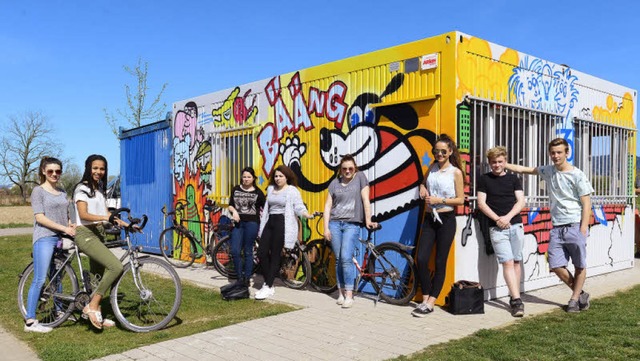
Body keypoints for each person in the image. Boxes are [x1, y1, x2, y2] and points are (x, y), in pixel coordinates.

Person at [505, 138, 593, 313]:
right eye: (553, 153)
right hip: (557, 227)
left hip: (575, 225)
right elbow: (526, 169)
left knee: (579, 265)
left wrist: (583, 228)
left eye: (559, 152)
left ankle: (574, 300)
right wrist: (503, 164)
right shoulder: (548, 170)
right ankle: (581, 292)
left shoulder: (577, 175)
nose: (556, 156)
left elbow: (587, 204)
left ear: (567, 153)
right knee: (555, 265)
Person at [413, 134, 466, 317]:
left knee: (439, 261)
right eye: (437, 151)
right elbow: (424, 182)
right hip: (429, 218)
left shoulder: (455, 172)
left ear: (450, 151)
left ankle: (432, 301)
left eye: (444, 151)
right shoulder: (432, 167)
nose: (440, 154)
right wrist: (422, 186)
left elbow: (461, 200)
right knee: (421, 258)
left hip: (446, 219)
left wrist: (439, 199)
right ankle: (426, 298)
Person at [73, 154, 126, 329]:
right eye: (95, 168)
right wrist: (106, 217)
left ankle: (96, 312)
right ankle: (93, 305)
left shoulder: (99, 190)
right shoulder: (82, 189)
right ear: (88, 168)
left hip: (99, 234)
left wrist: (124, 223)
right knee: (116, 267)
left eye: (102, 168)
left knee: (97, 277)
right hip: (85, 234)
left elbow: (107, 216)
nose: (98, 171)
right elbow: (84, 215)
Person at [25, 157, 77, 333]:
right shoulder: (38, 191)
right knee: (40, 279)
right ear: (43, 172)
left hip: (61, 237)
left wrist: (70, 224)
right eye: (50, 171)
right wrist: (63, 227)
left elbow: (67, 212)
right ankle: (30, 321)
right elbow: (40, 217)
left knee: (57, 276)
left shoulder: (62, 191)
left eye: (58, 171)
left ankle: (59, 311)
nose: (54, 174)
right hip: (45, 237)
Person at [477, 146, 526, 317]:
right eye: (493, 162)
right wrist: (498, 219)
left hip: (515, 225)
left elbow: (520, 201)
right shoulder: (484, 179)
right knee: (507, 262)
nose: (496, 165)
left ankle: (516, 293)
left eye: (499, 161)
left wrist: (508, 217)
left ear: (505, 161)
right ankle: (516, 301)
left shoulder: (514, 179)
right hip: (496, 228)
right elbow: (481, 203)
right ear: (489, 163)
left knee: (517, 261)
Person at [323, 154, 377, 308]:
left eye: (350, 168)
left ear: (355, 169)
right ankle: (340, 293)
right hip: (334, 223)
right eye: (344, 168)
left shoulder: (360, 177)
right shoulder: (334, 183)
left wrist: (368, 220)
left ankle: (349, 294)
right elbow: (328, 206)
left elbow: (366, 199)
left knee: (346, 257)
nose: (347, 171)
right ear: (340, 169)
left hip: (351, 224)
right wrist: (326, 228)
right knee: (339, 258)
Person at [256, 165, 314, 300]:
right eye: (276, 176)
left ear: (287, 177)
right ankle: (268, 283)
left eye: (280, 176)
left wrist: (307, 214)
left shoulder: (292, 190)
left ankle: (268, 286)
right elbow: (267, 207)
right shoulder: (270, 189)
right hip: (270, 222)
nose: (277, 179)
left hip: (283, 223)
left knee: (276, 254)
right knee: (261, 253)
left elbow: (298, 206)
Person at [228, 167, 266, 286]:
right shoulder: (236, 189)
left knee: (248, 251)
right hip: (238, 224)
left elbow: (265, 208)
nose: (246, 179)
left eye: (249, 177)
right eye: (244, 176)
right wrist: (234, 211)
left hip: (252, 224)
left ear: (253, 178)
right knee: (235, 250)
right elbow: (230, 205)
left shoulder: (258, 193)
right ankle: (239, 277)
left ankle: (246, 278)